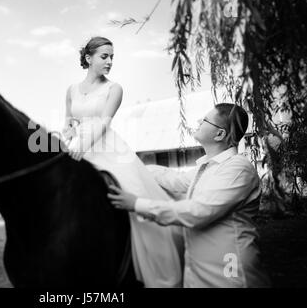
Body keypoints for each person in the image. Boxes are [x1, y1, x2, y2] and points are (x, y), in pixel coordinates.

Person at [62, 36, 183, 287]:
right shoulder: (71, 90)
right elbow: (68, 121)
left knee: (134, 193)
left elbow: (105, 123)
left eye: (112, 57)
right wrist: (70, 133)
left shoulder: (114, 88)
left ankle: (159, 273)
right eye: (104, 56)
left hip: (108, 147)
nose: (109, 62)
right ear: (88, 58)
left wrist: (83, 145)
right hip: (78, 147)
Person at [108, 103, 271, 287]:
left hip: (229, 271)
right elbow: (175, 180)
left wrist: (137, 204)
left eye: (206, 120)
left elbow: (198, 212)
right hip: (198, 272)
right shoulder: (207, 168)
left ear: (220, 134)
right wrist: (133, 168)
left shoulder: (237, 169)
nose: (199, 121)